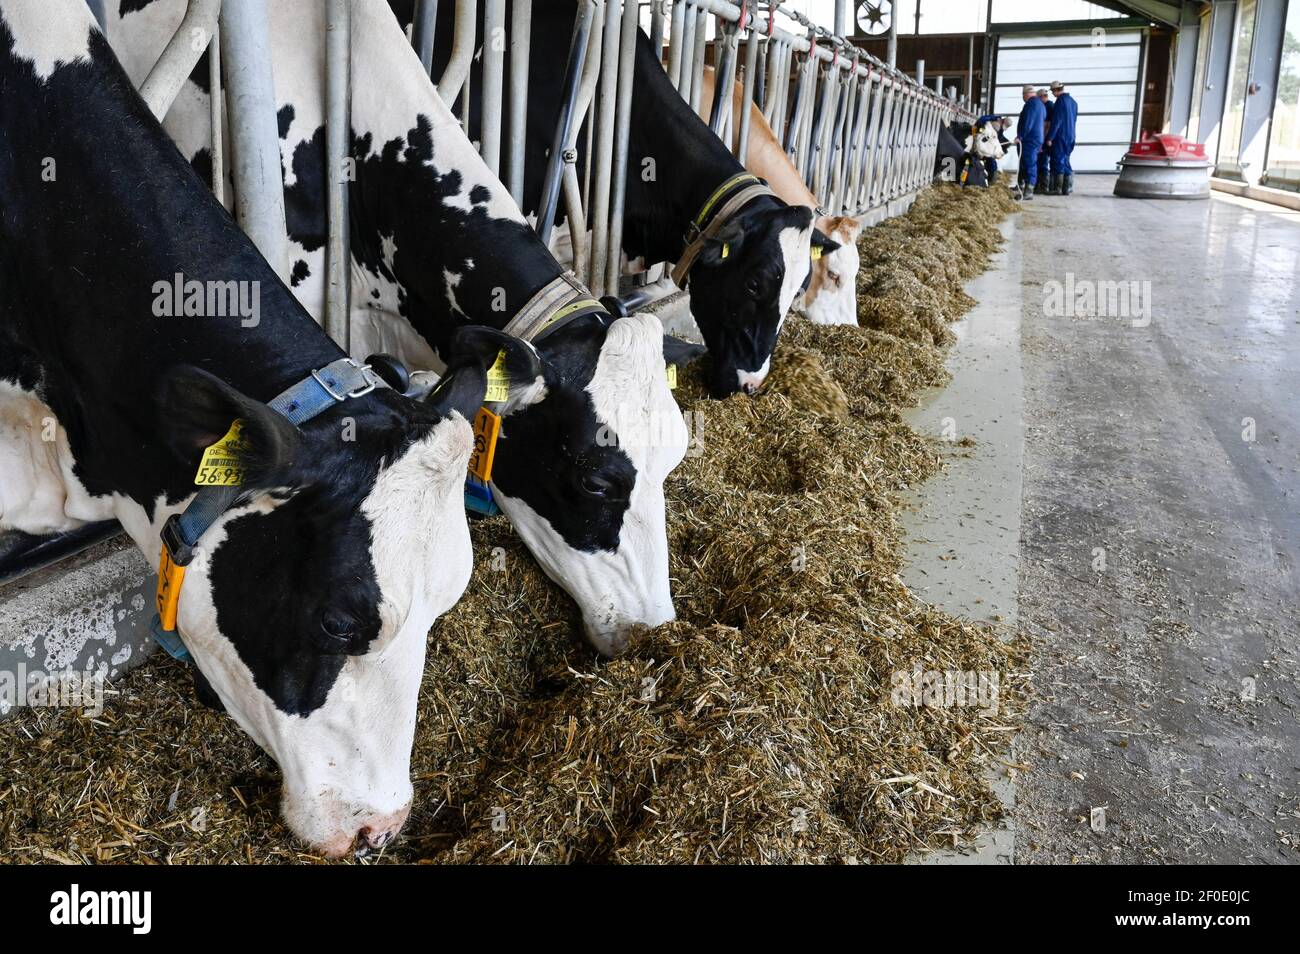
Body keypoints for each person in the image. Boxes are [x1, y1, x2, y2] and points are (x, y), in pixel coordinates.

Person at [1046, 81, 1079, 196]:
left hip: (1061, 136)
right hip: (1071, 136)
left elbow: (1057, 121)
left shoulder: (1060, 102)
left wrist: (1050, 137)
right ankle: (1067, 188)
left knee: (1058, 160)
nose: (1053, 94)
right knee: (1066, 160)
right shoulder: (1073, 102)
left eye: (1052, 91)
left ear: (1055, 90)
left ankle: (1058, 189)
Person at [1014, 84, 1046, 200]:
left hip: (1030, 139)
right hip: (1036, 138)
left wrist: (1020, 136)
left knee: (1029, 164)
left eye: (1023, 95)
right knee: (1025, 162)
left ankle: (1029, 191)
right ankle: (1021, 186)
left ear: (1026, 94)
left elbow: (1028, 122)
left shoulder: (1031, 104)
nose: (1023, 98)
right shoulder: (1040, 105)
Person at [1036, 89, 1054, 194]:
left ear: (1042, 97)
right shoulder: (1047, 105)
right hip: (1045, 139)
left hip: (1045, 140)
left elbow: (1047, 126)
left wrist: (1042, 141)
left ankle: (1044, 187)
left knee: (1042, 163)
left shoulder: (1048, 106)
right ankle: (1041, 186)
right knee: (1041, 162)